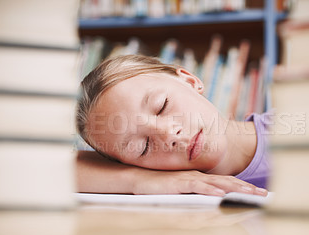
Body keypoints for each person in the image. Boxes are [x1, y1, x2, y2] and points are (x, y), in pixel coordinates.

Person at [76, 54, 270, 197]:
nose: (169, 135)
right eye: (142, 148)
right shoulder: (171, 189)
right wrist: (138, 180)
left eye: (162, 106)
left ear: (189, 80)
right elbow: (49, 167)